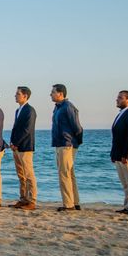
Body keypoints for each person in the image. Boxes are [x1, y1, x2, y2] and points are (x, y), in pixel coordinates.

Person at [50, 84, 83, 212]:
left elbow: (77, 127)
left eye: (53, 92)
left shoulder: (67, 107)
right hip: (60, 143)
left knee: (64, 173)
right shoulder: (58, 108)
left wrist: (75, 143)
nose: (50, 94)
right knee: (68, 173)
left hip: (66, 144)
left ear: (60, 93)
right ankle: (74, 201)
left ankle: (68, 204)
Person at [9, 86, 38, 210]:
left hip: (25, 146)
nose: (15, 96)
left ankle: (31, 200)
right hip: (16, 147)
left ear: (25, 96)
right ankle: (23, 198)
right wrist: (12, 142)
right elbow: (15, 128)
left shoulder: (30, 110)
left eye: (18, 94)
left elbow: (27, 130)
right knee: (21, 174)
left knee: (29, 174)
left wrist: (17, 143)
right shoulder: (18, 110)